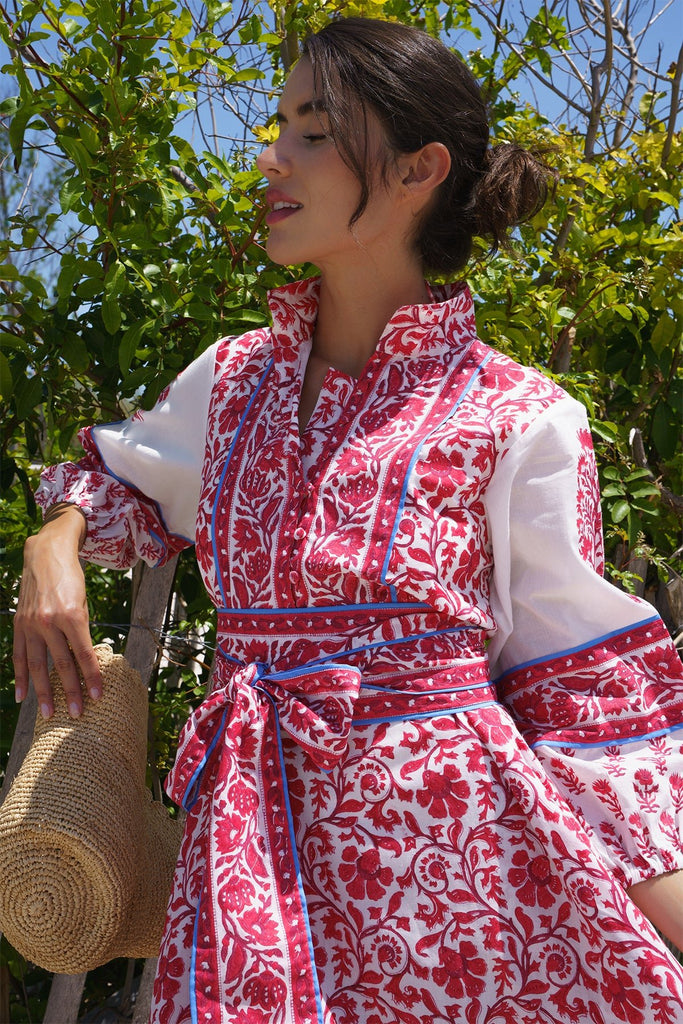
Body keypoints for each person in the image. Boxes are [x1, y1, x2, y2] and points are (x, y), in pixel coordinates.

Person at [12, 16, 683, 1024]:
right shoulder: (229, 383)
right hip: (248, 853)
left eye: (314, 131)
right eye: (278, 123)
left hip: (458, 891)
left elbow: (576, 691)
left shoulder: (519, 413)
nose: (270, 156)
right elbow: (115, 484)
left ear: (418, 169)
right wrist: (52, 541)